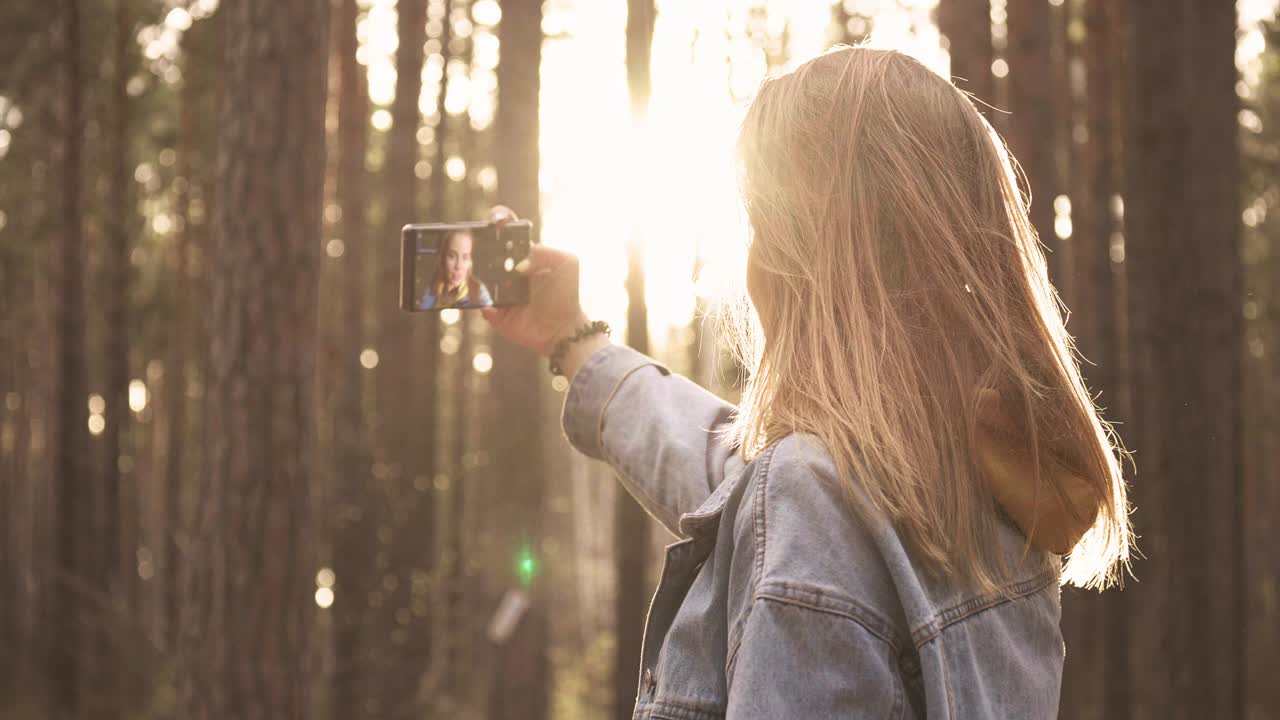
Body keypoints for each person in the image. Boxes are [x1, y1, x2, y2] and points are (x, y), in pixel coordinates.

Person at [482, 46, 1133, 718]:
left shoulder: (814, 496)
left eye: (762, 227)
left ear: (806, 259)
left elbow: (783, 504)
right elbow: (730, 475)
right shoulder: (988, 475)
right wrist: (572, 341)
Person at [419, 228, 492, 309]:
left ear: (470, 262)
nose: (458, 266)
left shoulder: (480, 293)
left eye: (465, 257)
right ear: (442, 258)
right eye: (452, 256)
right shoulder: (431, 293)